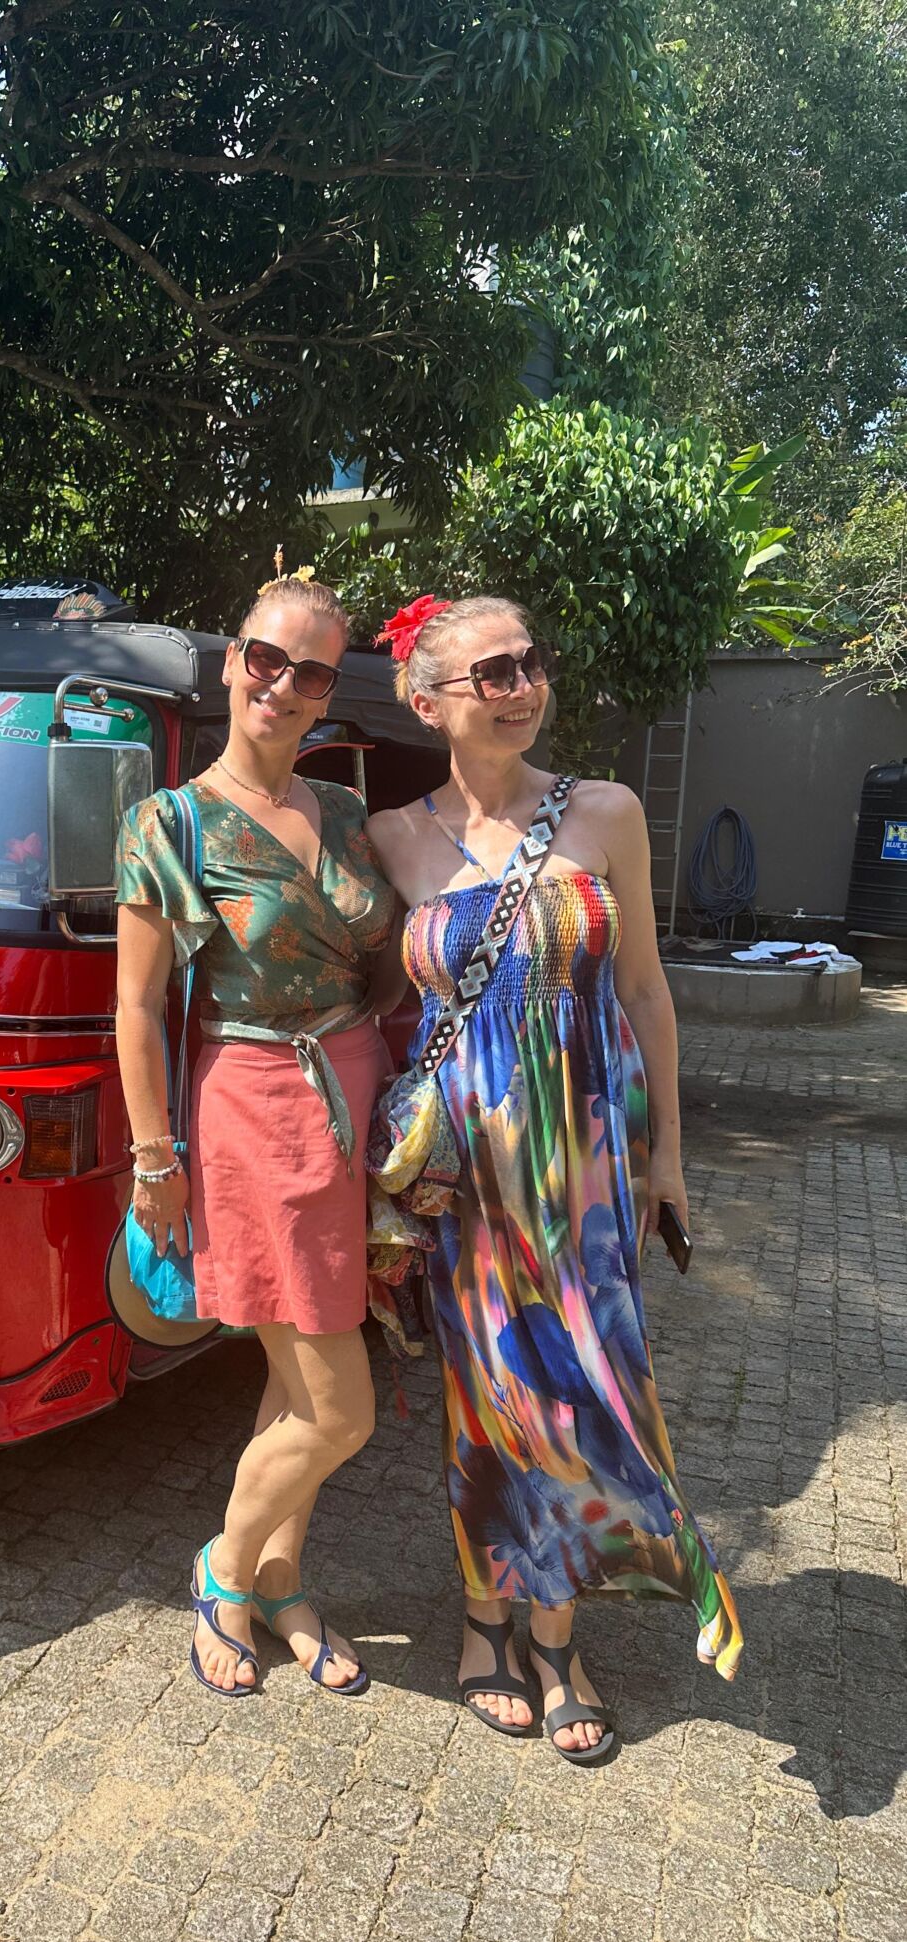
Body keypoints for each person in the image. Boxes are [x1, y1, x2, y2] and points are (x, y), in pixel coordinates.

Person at [367, 594, 742, 1764]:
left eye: (530, 663)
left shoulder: (606, 811)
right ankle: (486, 1615)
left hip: (583, 1166)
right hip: (467, 1176)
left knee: (582, 1388)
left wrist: (668, 1154)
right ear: (427, 702)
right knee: (484, 1392)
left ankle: (557, 1635)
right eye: (492, 672)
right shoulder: (388, 837)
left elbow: (646, 991)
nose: (522, 686)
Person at [114, 576, 397, 1697]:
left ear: (330, 692)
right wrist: (153, 1157)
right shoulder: (169, 823)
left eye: (311, 671)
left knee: (297, 1375)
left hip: (354, 1099)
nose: (283, 685)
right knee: (341, 1405)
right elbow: (136, 1006)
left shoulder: (344, 811)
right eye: (266, 659)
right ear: (232, 662)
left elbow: (387, 954)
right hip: (255, 1107)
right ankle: (223, 1568)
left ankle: (280, 1582)